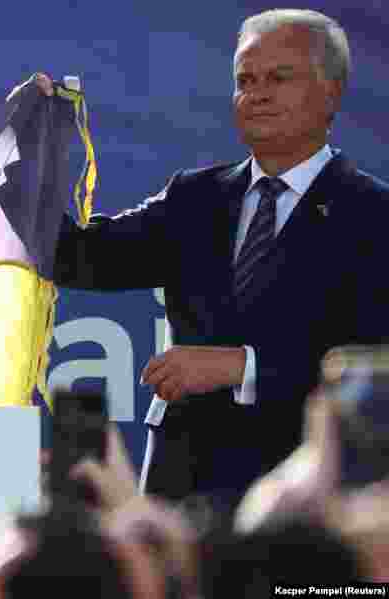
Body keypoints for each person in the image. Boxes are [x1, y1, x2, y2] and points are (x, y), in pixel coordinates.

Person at [26, 9, 389, 512]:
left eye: (279, 77)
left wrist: (243, 366)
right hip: (183, 494)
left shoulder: (374, 215)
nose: (257, 93)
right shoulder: (195, 198)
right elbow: (75, 256)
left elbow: (375, 370)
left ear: (331, 92)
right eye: (245, 79)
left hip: (305, 505)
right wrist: (28, 153)